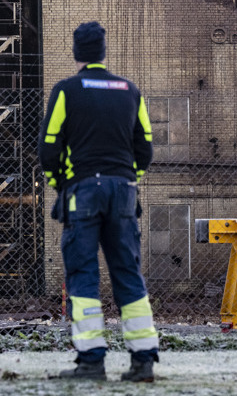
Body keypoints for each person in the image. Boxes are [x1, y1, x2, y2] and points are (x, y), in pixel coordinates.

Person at [39, 21, 160, 382]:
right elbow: (146, 148)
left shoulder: (66, 91)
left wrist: (60, 184)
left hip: (83, 193)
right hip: (123, 191)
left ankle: (91, 361)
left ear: (77, 53)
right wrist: (129, 179)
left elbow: (49, 147)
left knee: (83, 274)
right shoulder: (130, 91)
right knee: (127, 273)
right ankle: (143, 362)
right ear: (103, 52)